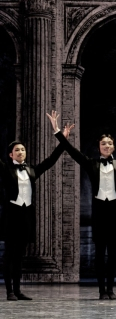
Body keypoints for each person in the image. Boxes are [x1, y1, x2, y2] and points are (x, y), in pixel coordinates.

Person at [50, 110, 116, 300]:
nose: (106, 146)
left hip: (115, 212)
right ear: (99, 147)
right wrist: (59, 132)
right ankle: (101, 290)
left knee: (113, 255)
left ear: (114, 147)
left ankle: (111, 289)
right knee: (100, 255)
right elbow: (72, 152)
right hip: (99, 212)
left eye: (109, 143)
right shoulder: (91, 164)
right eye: (103, 144)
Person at [0, 113, 72, 301]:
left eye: (23, 150)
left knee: (19, 257)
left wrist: (61, 137)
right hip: (12, 216)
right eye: (17, 150)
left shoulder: (31, 170)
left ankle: (17, 290)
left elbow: (50, 161)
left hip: (26, 216)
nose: (21, 152)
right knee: (9, 255)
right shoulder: (6, 169)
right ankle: (9, 291)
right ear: (11, 154)